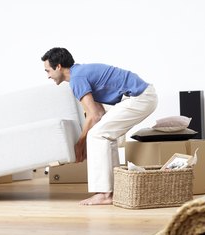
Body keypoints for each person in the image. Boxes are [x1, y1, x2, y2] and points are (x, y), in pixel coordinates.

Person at [41, 47, 158, 205]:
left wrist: (80, 144)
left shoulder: (77, 78)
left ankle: (104, 194)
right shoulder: (80, 73)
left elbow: (94, 116)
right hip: (142, 96)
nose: (48, 76)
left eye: (48, 70)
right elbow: (99, 113)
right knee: (104, 135)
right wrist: (82, 143)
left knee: (96, 135)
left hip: (140, 97)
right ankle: (114, 189)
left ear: (59, 66)